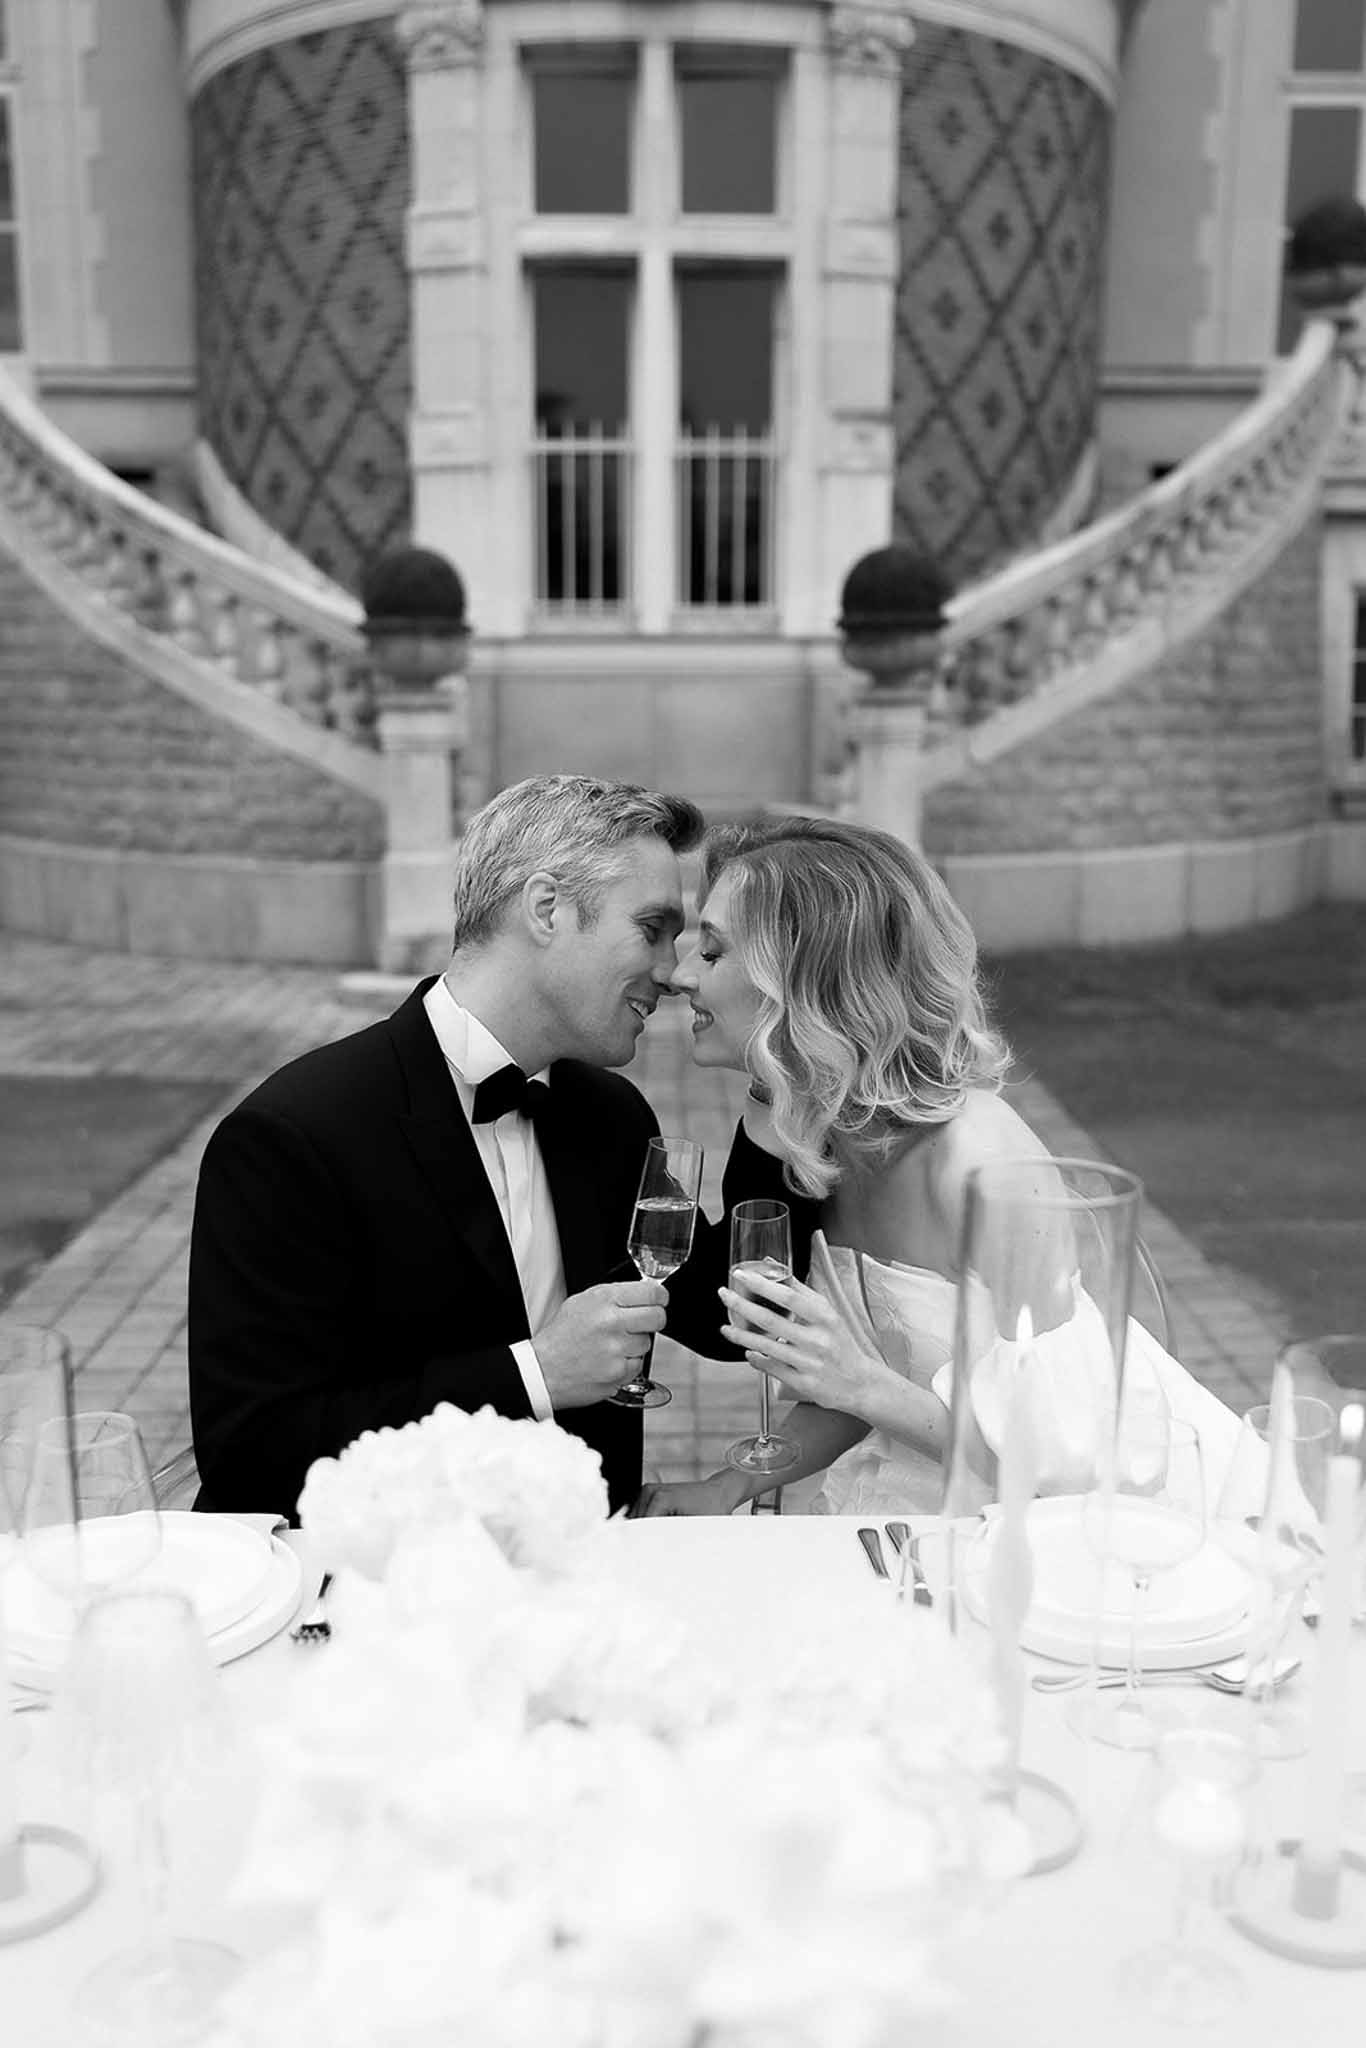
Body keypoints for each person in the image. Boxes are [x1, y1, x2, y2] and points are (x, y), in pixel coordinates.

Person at [188, 775, 805, 1521]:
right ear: (547, 909)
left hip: (575, 1577)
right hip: (377, 1593)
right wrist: (534, 1374)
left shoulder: (610, 1115)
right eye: (651, 929)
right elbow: (253, 1450)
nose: (675, 973)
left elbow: (723, 1314)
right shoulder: (292, 1138)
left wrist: (780, 1078)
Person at [644, 815, 1236, 1517]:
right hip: (904, 1512)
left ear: (804, 982)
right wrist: (727, 1486)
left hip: (1061, 1535)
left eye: (711, 953)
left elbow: (1068, 1467)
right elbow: (861, 1387)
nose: (680, 975)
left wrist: (862, 1384)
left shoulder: (982, 1165)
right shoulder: (798, 1130)